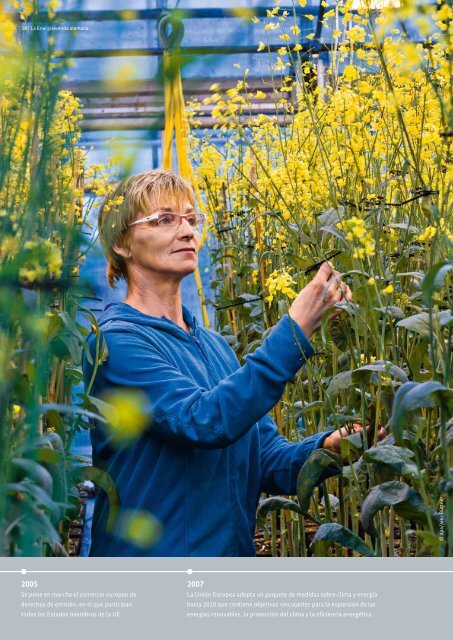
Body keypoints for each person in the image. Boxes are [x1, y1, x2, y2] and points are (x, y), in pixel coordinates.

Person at [82, 168, 384, 557]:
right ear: (121, 242)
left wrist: (328, 449)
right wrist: (295, 332)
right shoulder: (114, 343)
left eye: (192, 219)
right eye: (164, 220)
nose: (187, 230)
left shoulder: (214, 346)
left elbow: (267, 460)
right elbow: (204, 421)